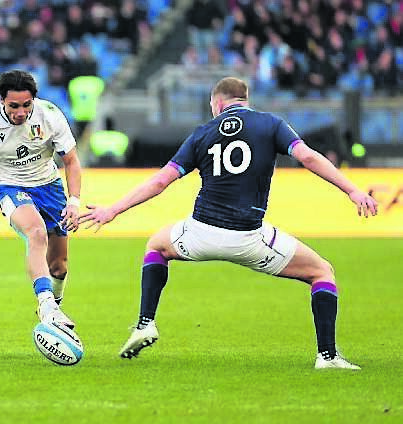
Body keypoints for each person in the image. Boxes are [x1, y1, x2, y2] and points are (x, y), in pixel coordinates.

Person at [80, 77, 378, 369]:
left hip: (199, 233)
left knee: (156, 245)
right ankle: (327, 357)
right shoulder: (270, 124)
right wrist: (352, 190)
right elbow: (308, 158)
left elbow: (160, 181)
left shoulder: (202, 132)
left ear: (218, 103)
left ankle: (145, 323)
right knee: (322, 271)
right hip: (248, 237)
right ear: (245, 99)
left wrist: (113, 210)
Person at [0, 69, 82, 329]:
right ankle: (46, 304)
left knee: (59, 267)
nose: (21, 112)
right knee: (36, 233)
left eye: (27, 105)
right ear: (2, 100)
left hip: (50, 188)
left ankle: (54, 309)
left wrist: (74, 202)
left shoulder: (49, 114)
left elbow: (70, 160)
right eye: (14, 106)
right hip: (11, 187)